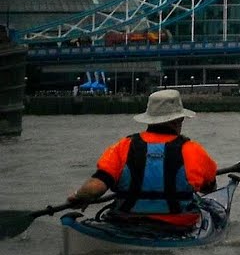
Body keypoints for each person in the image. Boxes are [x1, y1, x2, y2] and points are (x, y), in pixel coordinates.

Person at [67, 89, 217, 228]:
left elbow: (97, 186)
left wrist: (79, 196)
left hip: (125, 222)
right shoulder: (193, 150)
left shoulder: (123, 146)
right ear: (177, 121)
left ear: (149, 120)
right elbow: (210, 188)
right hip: (177, 227)